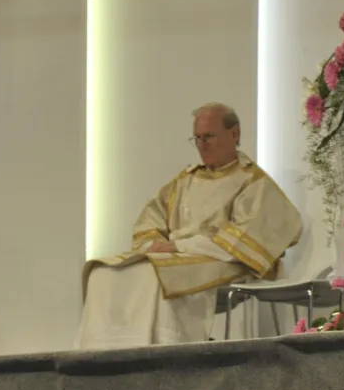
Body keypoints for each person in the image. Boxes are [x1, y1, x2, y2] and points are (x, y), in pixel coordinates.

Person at [76, 103, 302, 349]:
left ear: (234, 133)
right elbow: (151, 219)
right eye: (197, 138)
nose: (202, 145)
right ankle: (102, 353)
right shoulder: (185, 181)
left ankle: (158, 352)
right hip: (176, 256)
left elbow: (243, 240)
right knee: (103, 273)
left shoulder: (253, 182)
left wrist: (178, 246)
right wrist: (154, 245)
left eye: (209, 136)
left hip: (221, 260)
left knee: (154, 274)